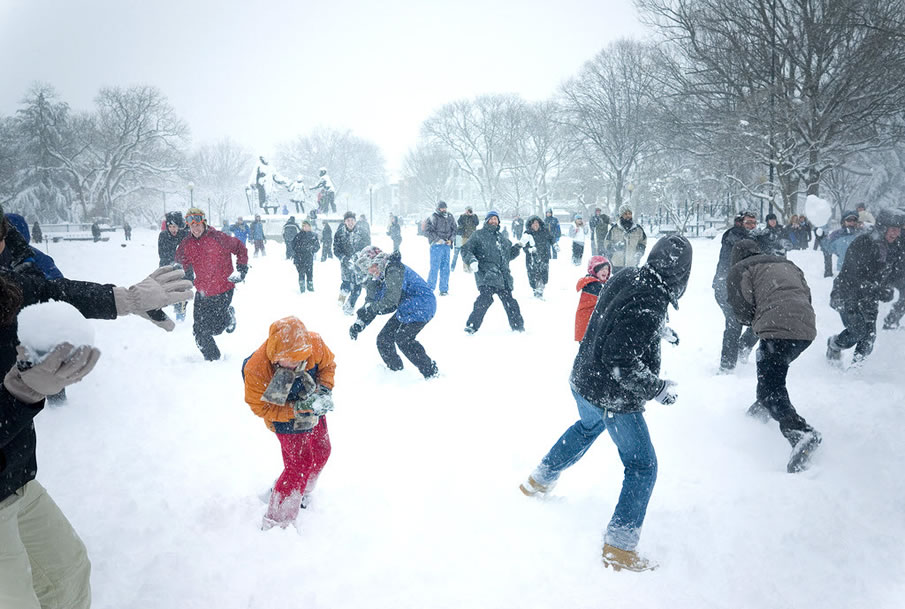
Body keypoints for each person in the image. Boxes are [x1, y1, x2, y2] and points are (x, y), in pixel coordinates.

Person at [0, 210, 192, 607]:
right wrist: (19, 393)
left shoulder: (7, 281)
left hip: (16, 475)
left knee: (68, 573)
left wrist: (125, 299)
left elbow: (50, 292)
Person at [519, 236, 692, 573]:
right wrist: (656, 389)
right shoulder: (651, 299)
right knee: (642, 466)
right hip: (611, 394)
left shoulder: (628, 276)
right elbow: (620, 359)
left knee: (588, 425)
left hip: (583, 379)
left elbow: (616, 317)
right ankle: (620, 549)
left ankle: (539, 480)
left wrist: (659, 329)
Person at [726, 239, 822, 472]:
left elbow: (741, 310)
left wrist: (756, 319)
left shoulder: (740, 269)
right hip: (805, 330)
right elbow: (805, 295)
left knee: (770, 386)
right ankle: (760, 410)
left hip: (776, 330)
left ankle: (800, 432)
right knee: (773, 373)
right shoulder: (786, 263)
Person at [242, 316, 335, 530]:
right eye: (288, 360)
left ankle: (300, 492)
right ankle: (277, 522)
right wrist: (294, 410)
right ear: (275, 355)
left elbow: (328, 366)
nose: (293, 364)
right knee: (299, 465)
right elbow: (260, 408)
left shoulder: (314, 344)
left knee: (322, 450)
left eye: (298, 359)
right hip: (279, 411)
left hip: (310, 402)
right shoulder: (256, 369)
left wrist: (324, 390)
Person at [826, 208, 905, 368]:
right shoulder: (863, 243)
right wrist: (875, 289)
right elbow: (852, 276)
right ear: (883, 227)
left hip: (870, 297)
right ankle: (834, 344)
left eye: (899, 230)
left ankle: (857, 369)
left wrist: (890, 288)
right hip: (847, 293)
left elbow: (898, 272)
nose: (896, 233)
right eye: (893, 229)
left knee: (869, 336)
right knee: (857, 330)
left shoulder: (895, 248)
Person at [349, 246, 438, 379]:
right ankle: (396, 374)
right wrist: (361, 321)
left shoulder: (393, 269)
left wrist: (372, 308)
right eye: (366, 268)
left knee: (403, 339)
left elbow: (391, 301)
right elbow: (371, 302)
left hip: (423, 305)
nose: (370, 270)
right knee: (384, 339)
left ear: (378, 260)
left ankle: (430, 372)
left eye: (371, 265)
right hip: (406, 308)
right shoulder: (378, 278)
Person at [175, 207, 249, 361]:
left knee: (216, 328)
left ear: (204, 223)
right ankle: (212, 359)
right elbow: (179, 261)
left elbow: (240, 248)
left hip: (223, 289)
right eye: (192, 226)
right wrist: (183, 275)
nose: (195, 228)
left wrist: (242, 269)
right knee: (199, 329)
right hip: (202, 291)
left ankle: (229, 317)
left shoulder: (219, 237)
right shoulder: (186, 243)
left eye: (198, 224)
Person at [460, 211, 524, 334]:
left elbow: (508, 255)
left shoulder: (502, 238)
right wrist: (472, 260)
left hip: (503, 277)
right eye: (491, 219)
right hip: (486, 275)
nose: (494, 221)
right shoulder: (478, 235)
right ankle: (472, 325)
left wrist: (519, 246)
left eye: (496, 219)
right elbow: (466, 250)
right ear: (487, 221)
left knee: (510, 302)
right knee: (484, 300)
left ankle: (518, 327)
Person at [713, 211, 759, 372]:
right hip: (726, 286)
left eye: (754, 223)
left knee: (761, 319)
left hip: (744, 288)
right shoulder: (734, 237)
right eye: (748, 223)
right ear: (740, 223)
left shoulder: (752, 239)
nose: (752, 226)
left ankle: (743, 347)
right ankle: (726, 366)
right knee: (734, 322)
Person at [332, 211, 371, 315]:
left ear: (355, 221)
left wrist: (358, 255)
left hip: (359, 265)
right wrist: (344, 258)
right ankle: (340, 301)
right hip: (345, 265)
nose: (350, 222)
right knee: (346, 285)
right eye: (348, 220)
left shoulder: (363, 232)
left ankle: (348, 309)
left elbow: (368, 247)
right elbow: (336, 249)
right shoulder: (339, 233)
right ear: (345, 222)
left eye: (352, 220)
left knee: (357, 288)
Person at [158, 211, 190, 321]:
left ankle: (180, 315)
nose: (173, 229)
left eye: (175, 226)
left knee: (181, 291)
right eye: (170, 226)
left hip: (184, 269)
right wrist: (171, 264)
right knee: (169, 291)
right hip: (168, 268)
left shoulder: (185, 235)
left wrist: (181, 264)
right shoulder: (163, 236)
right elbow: (162, 254)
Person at [574, 255, 612, 342]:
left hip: (587, 326)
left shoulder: (595, 283)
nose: (605, 271)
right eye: (602, 269)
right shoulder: (593, 285)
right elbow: (607, 299)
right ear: (594, 270)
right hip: (588, 326)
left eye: (607, 269)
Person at [423, 201, 457, 295]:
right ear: (438, 208)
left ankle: (444, 289)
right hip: (436, 246)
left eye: (445, 208)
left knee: (445, 268)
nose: (444, 210)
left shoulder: (450, 216)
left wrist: (451, 239)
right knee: (434, 268)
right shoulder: (433, 217)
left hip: (446, 245)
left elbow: (454, 229)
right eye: (442, 208)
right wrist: (437, 239)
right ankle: (430, 289)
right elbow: (427, 231)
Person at [603, 205, 647, 271]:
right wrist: (614, 247)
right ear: (621, 215)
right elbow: (607, 242)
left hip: (632, 264)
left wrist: (639, 252)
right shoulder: (614, 229)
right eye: (625, 214)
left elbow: (643, 242)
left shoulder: (638, 229)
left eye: (630, 214)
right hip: (617, 264)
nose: (628, 216)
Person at [520, 215, 552, 299]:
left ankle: (541, 289)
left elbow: (551, 238)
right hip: (531, 258)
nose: (535, 225)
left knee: (543, 273)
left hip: (543, 256)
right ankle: (535, 289)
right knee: (533, 274)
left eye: (537, 223)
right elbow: (523, 246)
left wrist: (555, 245)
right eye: (533, 223)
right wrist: (529, 250)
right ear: (530, 225)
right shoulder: (527, 233)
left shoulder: (544, 231)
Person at [291, 220, 320, 293]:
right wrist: (301, 249)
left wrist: (311, 249)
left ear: (310, 227)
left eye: (307, 226)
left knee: (310, 274)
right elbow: (293, 246)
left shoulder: (313, 236)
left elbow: (317, 246)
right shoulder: (298, 236)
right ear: (302, 227)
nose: (306, 228)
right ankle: (302, 289)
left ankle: (310, 288)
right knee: (301, 273)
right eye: (304, 226)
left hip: (309, 258)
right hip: (299, 258)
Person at [452, 206, 479, 271]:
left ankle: (469, 267)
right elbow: (459, 223)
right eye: (467, 210)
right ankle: (458, 267)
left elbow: (477, 223)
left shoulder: (474, 216)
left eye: (470, 210)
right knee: (461, 253)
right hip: (462, 237)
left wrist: (472, 215)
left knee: (470, 253)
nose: (468, 211)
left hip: (471, 238)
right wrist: (464, 216)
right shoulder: (462, 216)